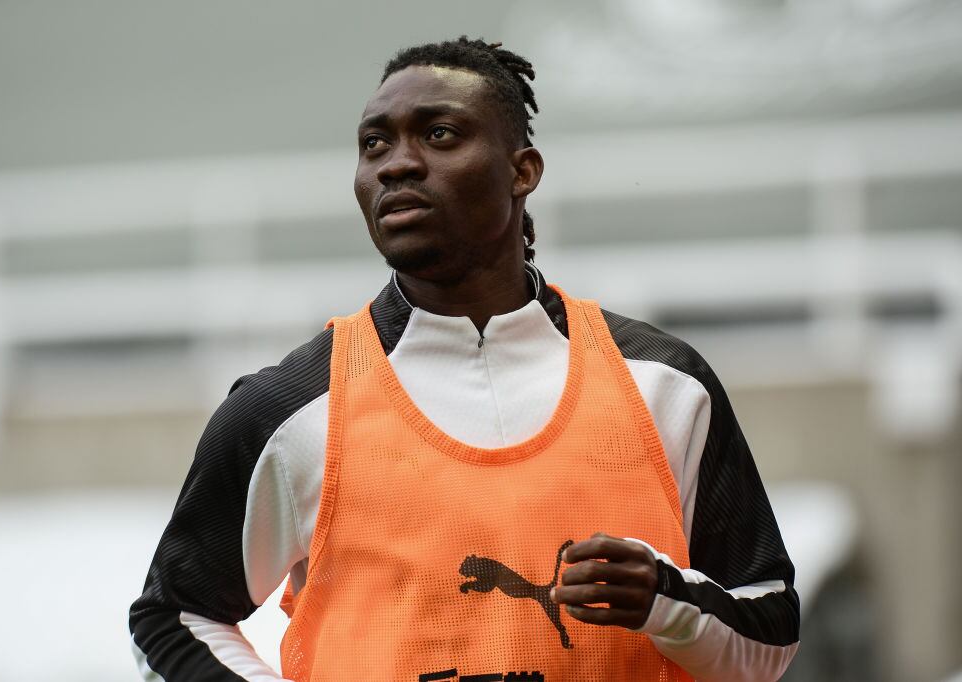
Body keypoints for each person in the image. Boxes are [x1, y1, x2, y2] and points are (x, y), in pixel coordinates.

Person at [129, 36, 800, 681]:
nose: (396, 163)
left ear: (522, 171)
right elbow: (171, 619)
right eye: (375, 143)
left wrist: (666, 597)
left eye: (439, 134)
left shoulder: (665, 385)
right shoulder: (288, 408)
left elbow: (772, 634)